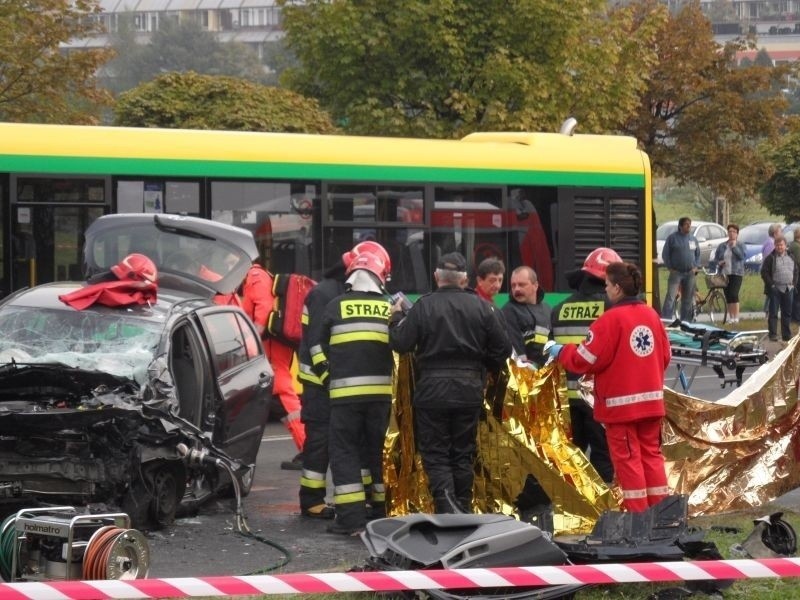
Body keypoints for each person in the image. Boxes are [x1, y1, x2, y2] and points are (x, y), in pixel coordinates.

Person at [389, 252, 511, 514]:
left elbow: (400, 343)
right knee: (462, 454)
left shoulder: (423, 305)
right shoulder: (482, 307)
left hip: (432, 390)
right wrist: (482, 369)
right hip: (469, 391)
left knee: (436, 454)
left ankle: (447, 511)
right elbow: (503, 349)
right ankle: (463, 510)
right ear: (465, 278)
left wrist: (396, 317)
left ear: (436, 277)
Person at [547, 261, 671, 512]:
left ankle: (638, 518)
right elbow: (666, 356)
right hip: (651, 404)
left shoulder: (610, 320)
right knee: (652, 457)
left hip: (621, 408)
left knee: (628, 462)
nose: (605, 290)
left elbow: (585, 359)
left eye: (607, 285)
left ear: (616, 287)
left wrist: (561, 351)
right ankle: (661, 516)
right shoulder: (651, 315)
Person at [297, 241, 391, 520]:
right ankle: (312, 499)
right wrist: (328, 378)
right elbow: (317, 343)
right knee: (321, 441)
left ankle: (355, 501)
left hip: (342, 383)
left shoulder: (344, 294)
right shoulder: (324, 294)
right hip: (319, 382)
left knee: (354, 442)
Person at [550, 247, 620, 484]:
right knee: (604, 459)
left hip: (567, 400)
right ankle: (606, 510)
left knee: (572, 460)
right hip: (597, 399)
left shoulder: (559, 310)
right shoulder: (611, 309)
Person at [241, 260, 306, 469]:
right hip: (269, 345)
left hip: (269, 346)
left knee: (283, 394)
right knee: (281, 398)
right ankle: (309, 448)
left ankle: (309, 449)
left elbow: (264, 309)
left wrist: (250, 340)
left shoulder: (255, 276)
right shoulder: (252, 276)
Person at [501, 266, 552, 366]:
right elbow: (516, 348)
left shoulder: (547, 309)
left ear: (535, 285)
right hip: (525, 375)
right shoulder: (509, 311)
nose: (516, 289)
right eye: (513, 285)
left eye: (521, 285)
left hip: (546, 373)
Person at [661, 217, 700, 322]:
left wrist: (695, 266)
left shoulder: (693, 239)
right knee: (671, 297)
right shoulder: (672, 238)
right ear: (680, 226)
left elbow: (697, 254)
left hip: (690, 273)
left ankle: (685, 322)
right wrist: (670, 268)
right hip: (676, 272)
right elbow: (665, 254)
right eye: (686, 224)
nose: (689, 226)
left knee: (687, 299)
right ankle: (666, 320)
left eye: (689, 224)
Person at [760, 236, 798, 342]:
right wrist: (771, 285)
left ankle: (786, 335)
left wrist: (794, 283)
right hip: (776, 289)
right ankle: (773, 334)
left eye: (781, 245)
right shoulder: (771, 258)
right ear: (775, 246)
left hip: (789, 288)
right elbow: (764, 272)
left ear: (785, 245)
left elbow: (796, 270)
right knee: (773, 313)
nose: (779, 247)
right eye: (777, 245)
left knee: (787, 313)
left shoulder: (791, 256)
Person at [711, 223, 746, 324]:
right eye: (730, 231)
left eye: (734, 232)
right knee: (728, 295)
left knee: (733, 294)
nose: (731, 234)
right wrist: (719, 262)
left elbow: (742, 257)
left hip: (736, 273)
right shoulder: (722, 246)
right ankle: (731, 317)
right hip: (725, 273)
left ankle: (736, 317)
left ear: (737, 234)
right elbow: (716, 258)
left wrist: (734, 247)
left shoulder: (740, 245)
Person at [761, 223, 783, 317]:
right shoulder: (771, 243)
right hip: (770, 272)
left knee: (771, 292)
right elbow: (770, 259)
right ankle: (768, 312)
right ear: (775, 234)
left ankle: (769, 312)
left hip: (772, 272)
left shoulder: (769, 242)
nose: (781, 234)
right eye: (780, 232)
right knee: (771, 292)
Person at [789, 228, 800, 325]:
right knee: (797, 296)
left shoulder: (792, 244)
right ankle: (796, 317)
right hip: (797, 273)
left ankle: (794, 316)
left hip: (793, 273)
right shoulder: (796, 246)